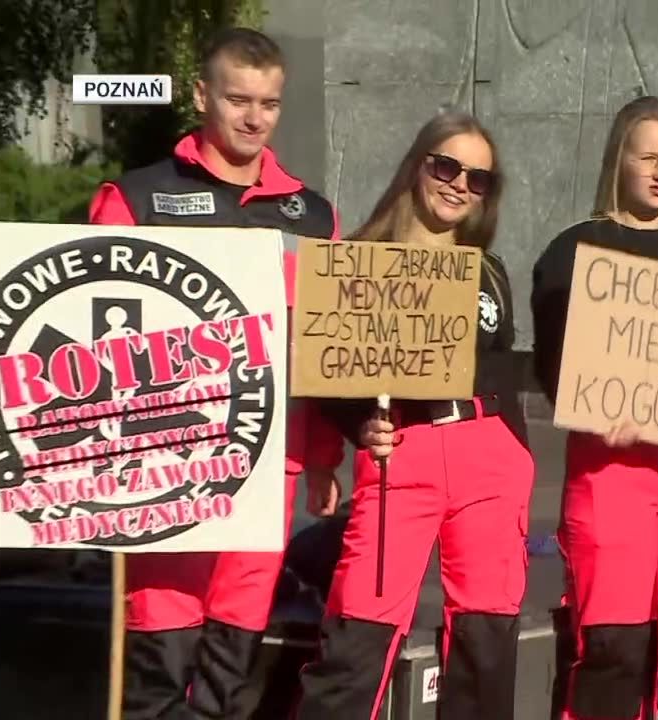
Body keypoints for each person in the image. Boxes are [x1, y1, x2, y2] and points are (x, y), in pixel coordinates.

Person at [87, 27, 345, 720]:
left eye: (269, 102)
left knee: (232, 668)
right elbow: (90, 339)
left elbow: (323, 347)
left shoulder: (314, 216)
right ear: (202, 95)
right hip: (164, 465)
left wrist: (322, 459)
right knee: (160, 659)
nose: (254, 117)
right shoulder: (136, 197)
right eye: (237, 99)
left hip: (270, 463)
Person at [294, 110, 534, 720]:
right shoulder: (360, 257)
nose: (460, 184)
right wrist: (358, 427)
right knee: (359, 629)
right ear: (418, 165)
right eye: (447, 166)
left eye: (478, 178)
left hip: (489, 454)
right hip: (404, 449)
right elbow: (330, 375)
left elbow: (501, 370)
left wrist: (518, 455)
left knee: (486, 637)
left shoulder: (490, 268)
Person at [530, 94, 658, 720]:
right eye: (648, 156)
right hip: (612, 472)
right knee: (615, 645)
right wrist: (593, 408)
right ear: (618, 160)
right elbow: (552, 369)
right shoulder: (572, 251)